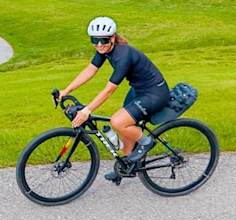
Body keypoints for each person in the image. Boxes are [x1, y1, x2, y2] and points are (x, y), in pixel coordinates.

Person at [57, 16, 169, 181]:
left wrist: (87, 110)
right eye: (94, 40)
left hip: (155, 93)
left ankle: (146, 142)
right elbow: (90, 70)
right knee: (124, 128)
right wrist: (66, 90)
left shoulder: (124, 55)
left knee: (117, 122)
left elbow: (109, 90)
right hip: (138, 91)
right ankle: (127, 167)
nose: (99, 44)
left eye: (103, 40)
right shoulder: (105, 50)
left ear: (113, 38)